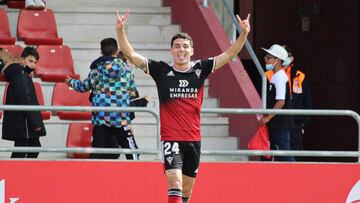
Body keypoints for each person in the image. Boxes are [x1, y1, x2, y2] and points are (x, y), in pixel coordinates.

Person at [115, 10, 250, 203]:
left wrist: (243, 33)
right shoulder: (161, 70)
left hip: (193, 138)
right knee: (175, 183)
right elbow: (131, 54)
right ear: (171, 50)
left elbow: (230, 54)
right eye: (177, 46)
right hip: (171, 138)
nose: (181, 49)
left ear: (191, 51)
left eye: (185, 46)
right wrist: (120, 30)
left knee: (186, 191)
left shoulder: (200, 68)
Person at [65, 37, 139, 160]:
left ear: (101, 51)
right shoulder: (126, 68)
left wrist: (71, 82)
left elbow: (84, 86)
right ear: (116, 51)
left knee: (97, 151)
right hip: (121, 115)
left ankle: (92, 177)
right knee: (131, 151)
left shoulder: (95, 69)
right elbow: (132, 90)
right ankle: (137, 175)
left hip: (100, 115)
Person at [0, 47, 46, 158]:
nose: (33, 65)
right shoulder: (20, 74)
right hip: (24, 122)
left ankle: (22, 173)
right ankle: (15, 173)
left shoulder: (20, 74)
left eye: (35, 62)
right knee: (24, 149)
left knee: (29, 148)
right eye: (30, 61)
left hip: (23, 121)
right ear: (22, 60)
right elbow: (25, 99)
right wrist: (35, 123)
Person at [260, 44, 295, 161]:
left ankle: (296, 177)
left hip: (280, 125)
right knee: (279, 156)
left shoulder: (280, 77)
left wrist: (267, 118)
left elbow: (280, 102)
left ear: (278, 60)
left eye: (269, 57)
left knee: (285, 156)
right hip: (276, 124)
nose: (266, 59)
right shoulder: (276, 76)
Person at [282, 45, 312, 161]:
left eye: (287, 55)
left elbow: (306, 101)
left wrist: (303, 121)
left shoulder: (300, 76)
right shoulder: (271, 74)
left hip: (296, 123)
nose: (285, 58)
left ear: (292, 58)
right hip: (279, 123)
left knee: (296, 153)